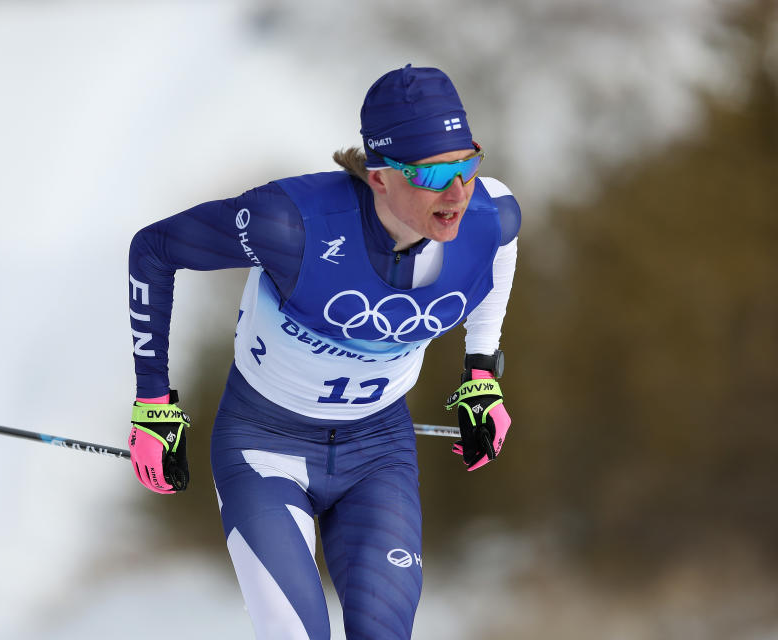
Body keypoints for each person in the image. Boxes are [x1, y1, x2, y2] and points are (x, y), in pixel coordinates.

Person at [127, 64, 521, 640]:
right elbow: (154, 250)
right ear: (379, 176)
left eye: (467, 164)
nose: (457, 192)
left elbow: (500, 252)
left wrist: (481, 373)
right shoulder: (289, 224)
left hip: (378, 451)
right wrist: (153, 402)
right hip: (265, 447)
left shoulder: (492, 216)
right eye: (434, 174)